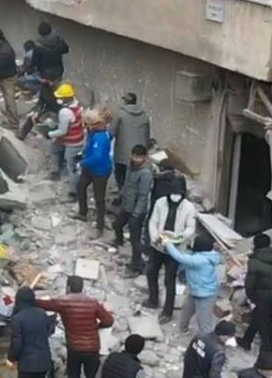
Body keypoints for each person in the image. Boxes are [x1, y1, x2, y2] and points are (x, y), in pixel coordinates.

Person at [36, 275, 115, 378]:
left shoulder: (63, 302)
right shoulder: (93, 302)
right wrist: (97, 326)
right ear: (82, 288)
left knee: (73, 374)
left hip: (75, 348)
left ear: (68, 288)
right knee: (91, 375)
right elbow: (109, 320)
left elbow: (45, 304)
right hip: (92, 348)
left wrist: (28, 299)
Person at [147, 176, 198, 322]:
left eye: (179, 194)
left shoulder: (188, 207)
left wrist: (179, 237)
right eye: (173, 193)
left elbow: (190, 228)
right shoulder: (160, 203)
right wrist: (155, 237)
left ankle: (167, 312)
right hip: (158, 245)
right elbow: (153, 222)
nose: (175, 197)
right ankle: (153, 299)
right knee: (151, 272)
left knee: (169, 280)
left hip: (175, 249)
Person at [240, 233, 272, 350]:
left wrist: (251, 297)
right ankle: (247, 340)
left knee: (263, 322)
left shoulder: (254, 260)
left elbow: (249, 282)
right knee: (259, 317)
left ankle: (268, 349)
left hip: (262, 294)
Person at [114, 144, 154, 276]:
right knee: (117, 224)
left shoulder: (146, 173)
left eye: (139, 157)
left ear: (145, 158)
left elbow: (143, 196)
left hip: (137, 210)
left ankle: (137, 265)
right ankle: (119, 241)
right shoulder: (130, 166)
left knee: (135, 239)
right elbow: (126, 184)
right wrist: (120, 195)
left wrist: (136, 214)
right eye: (134, 156)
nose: (136, 159)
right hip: (126, 205)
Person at [76, 109, 113, 237]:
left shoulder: (101, 138)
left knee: (99, 199)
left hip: (100, 171)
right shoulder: (94, 133)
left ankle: (100, 227)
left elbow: (97, 157)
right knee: (80, 186)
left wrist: (82, 163)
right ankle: (82, 212)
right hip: (91, 167)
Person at [8, 287, 54, 378]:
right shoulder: (42, 314)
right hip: (43, 362)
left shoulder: (17, 318)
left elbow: (17, 343)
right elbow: (49, 331)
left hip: (27, 364)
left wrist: (11, 358)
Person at [110, 92, 152, 190]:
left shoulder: (120, 114)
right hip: (139, 152)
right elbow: (147, 135)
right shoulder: (144, 115)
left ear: (125, 102)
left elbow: (111, 132)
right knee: (135, 175)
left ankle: (122, 194)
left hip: (122, 152)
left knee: (121, 174)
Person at [47, 82, 86, 185]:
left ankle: (73, 191)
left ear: (66, 98)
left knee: (71, 167)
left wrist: (49, 134)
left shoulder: (65, 112)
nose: (59, 99)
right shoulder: (78, 105)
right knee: (55, 148)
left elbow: (62, 131)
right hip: (78, 138)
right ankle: (55, 170)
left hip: (71, 142)